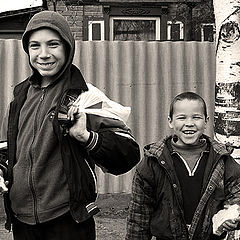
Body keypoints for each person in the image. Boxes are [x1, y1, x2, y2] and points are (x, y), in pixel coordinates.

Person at [0, 10, 140, 240]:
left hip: (68, 221)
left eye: (53, 44)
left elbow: (128, 153)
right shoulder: (19, 98)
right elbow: (6, 151)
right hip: (22, 221)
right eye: (35, 46)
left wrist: (86, 137)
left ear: (67, 46)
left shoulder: (84, 96)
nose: (43, 54)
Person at [126, 92, 240, 240]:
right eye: (181, 117)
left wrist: (233, 215)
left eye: (196, 117)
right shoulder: (153, 162)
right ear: (170, 121)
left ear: (206, 121)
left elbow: (236, 197)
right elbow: (138, 217)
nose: (189, 123)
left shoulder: (222, 160)